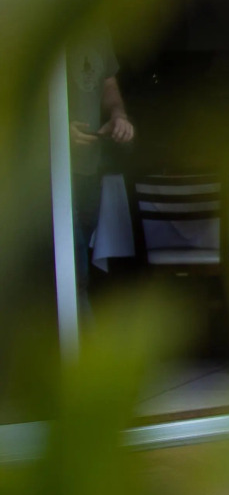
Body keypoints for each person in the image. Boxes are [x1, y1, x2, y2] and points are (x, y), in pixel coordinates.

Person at [67, 28, 135, 313]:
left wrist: (118, 115)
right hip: (52, 174)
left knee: (80, 256)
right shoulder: (42, 23)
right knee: (73, 268)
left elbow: (108, 84)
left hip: (89, 169)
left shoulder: (97, 27)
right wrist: (55, 128)